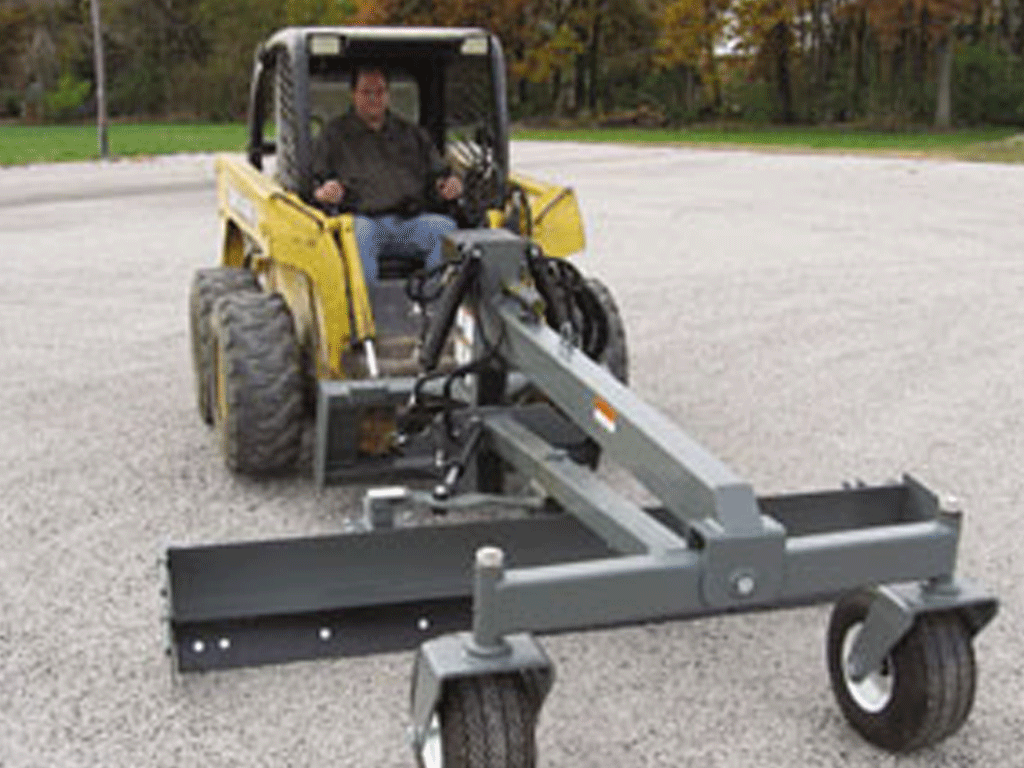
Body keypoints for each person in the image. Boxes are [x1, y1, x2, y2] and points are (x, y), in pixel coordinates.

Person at [312, 65, 463, 283]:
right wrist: (323, 192)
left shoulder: (411, 134)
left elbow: (438, 176)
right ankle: (367, 311)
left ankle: (436, 306)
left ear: (388, 95)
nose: (374, 98)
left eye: (380, 91)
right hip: (363, 221)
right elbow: (314, 183)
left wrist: (448, 186)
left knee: (445, 229)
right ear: (353, 95)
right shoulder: (333, 136)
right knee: (358, 234)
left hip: (409, 222)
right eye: (366, 92)